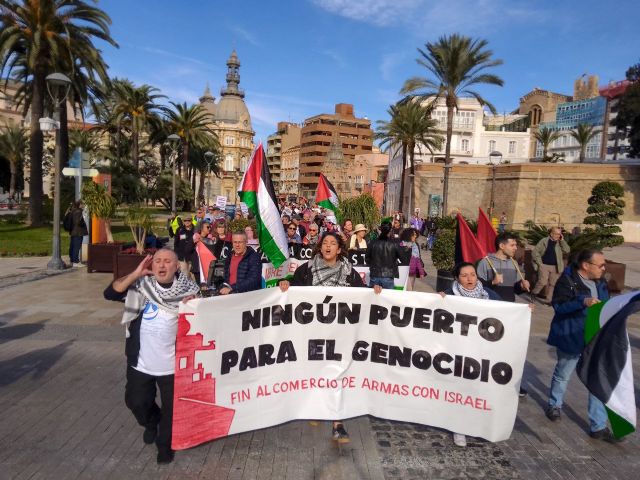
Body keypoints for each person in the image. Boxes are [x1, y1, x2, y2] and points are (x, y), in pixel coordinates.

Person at [103, 249, 200, 464]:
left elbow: (207, 321)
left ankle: (164, 445)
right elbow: (110, 294)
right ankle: (150, 422)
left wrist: (194, 307)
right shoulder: (140, 287)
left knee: (172, 411)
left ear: (177, 267)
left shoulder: (190, 293)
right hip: (141, 362)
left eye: (167, 261)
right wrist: (136, 274)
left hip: (172, 366)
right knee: (136, 402)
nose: (162, 265)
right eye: (157, 261)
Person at [278, 232, 369, 443]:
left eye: (333, 243)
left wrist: (374, 291)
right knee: (316, 371)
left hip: (340, 334)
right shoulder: (306, 269)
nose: (328, 246)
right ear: (320, 247)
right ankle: (318, 408)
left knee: (337, 374)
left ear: (339, 249)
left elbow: (362, 295)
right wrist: (285, 285)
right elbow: (293, 290)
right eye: (325, 243)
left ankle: (338, 424)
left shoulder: (349, 272)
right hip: (313, 333)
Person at [545, 250, 617, 442]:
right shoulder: (568, 280)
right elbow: (559, 306)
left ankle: (598, 426)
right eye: (600, 265)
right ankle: (555, 404)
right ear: (586, 265)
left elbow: (606, 305)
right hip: (571, 336)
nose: (604, 268)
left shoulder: (601, 282)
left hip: (594, 338)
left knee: (596, 381)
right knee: (563, 374)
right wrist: (582, 302)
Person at [439, 261, 502, 447]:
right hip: (458, 350)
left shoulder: (489, 295)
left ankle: (477, 425)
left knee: (479, 389)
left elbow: (508, 312)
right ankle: (459, 427)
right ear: (457, 278)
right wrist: (438, 301)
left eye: (472, 274)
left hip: (483, 350)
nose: (469, 279)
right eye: (464, 275)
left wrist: (524, 311)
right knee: (461, 389)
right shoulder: (449, 295)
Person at [476, 232, 531, 396]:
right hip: (491, 312)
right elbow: (477, 288)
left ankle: (509, 381)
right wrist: (492, 282)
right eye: (512, 245)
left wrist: (521, 286)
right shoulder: (485, 262)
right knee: (488, 349)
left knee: (508, 349)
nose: (515, 248)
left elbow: (512, 289)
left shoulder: (513, 263)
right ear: (502, 246)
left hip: (509, 312)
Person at [532, 227, 570, 305]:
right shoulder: (544, 241)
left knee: (553, 284)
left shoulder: (560, 242)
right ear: (551, 234)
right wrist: (540, 263)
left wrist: (562, 241)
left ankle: (549, 300)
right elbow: (535, 252)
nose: (558, 236)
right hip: (544, 265)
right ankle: (534, 293)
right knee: (542, 282)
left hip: (556, 267)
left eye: (560, 234)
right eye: (556, 234)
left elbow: (567, 250)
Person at [366, 222, 404, 290]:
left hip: (375, 274)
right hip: (388, 275)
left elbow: (367, 259)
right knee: (387, 299)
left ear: (380, 229)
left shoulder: (372, 242)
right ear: (390, 230)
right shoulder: (394, 243)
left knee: (373, 299)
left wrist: (373, 265)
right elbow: (402, 258)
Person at [68, 200, 87, 267]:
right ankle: (75, 262)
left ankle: (72, 261)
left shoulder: (73, 211)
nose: (84, 205)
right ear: (80, 205)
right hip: (78, 232)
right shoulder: (78, 212)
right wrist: (83, 223)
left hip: (73, 231)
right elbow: (78, 222)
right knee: (76, 247)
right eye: (83, 204)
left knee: (72, 246)